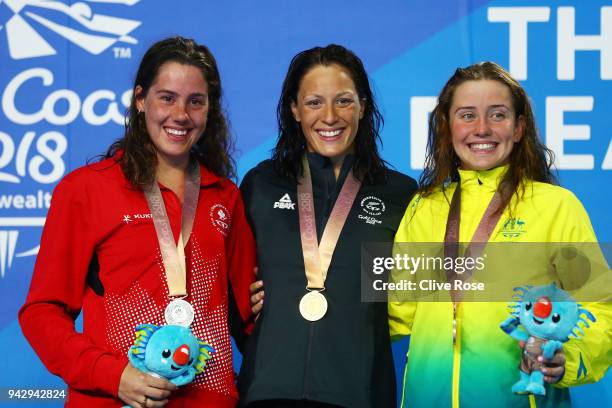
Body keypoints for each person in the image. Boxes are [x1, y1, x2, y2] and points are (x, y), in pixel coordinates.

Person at [19, 37, 256, 408]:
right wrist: (113, 376)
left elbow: (249, 318)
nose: (181, 114)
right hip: (114, 400)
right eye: (167, 98)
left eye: (196, 101)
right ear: (140, 99)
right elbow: (42, 313)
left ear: (210, 110)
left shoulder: (225, 195)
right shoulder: (87, 189)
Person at [388, 62, 612, 407]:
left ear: (519, 127)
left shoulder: (555, 206)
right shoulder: (424, 207)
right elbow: (395, 311)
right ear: (447, 127)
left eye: (497, 115)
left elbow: (600, 304)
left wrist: (568, 355)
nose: (482, 129)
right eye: (466, 115)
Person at [238, 44, 417, 408]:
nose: (330, 117)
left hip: (358, 393)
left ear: (363, 106)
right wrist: (246, 301)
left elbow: (422, 291)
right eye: (314, 102)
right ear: (294, 110)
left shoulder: (401, 194)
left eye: (344, 101)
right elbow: (228, 281)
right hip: (269, 392)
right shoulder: (260, 184)